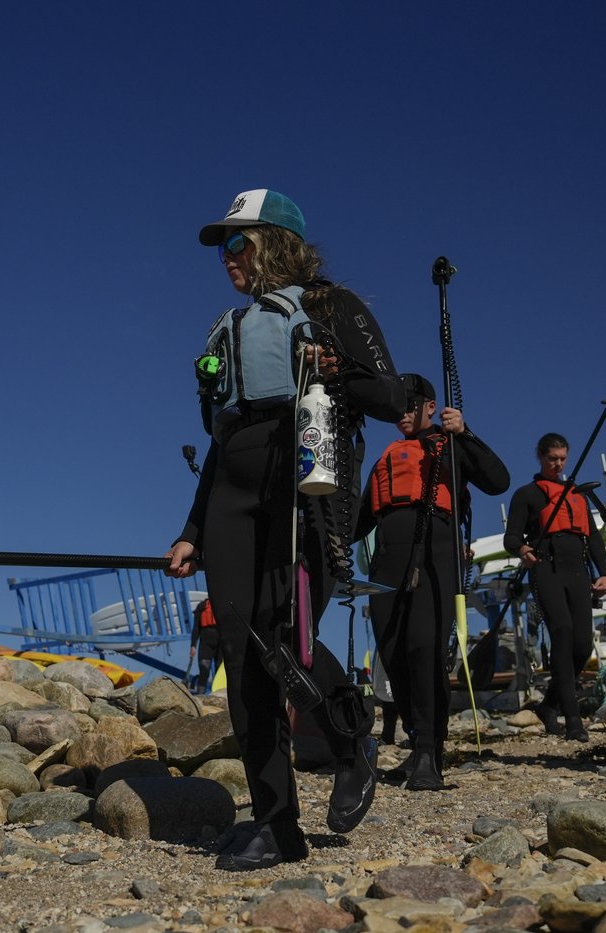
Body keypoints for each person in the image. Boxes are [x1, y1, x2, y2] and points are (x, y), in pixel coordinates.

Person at [165, 189, 407, 870]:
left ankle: (351, 736)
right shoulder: (231, 326)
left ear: (275, 241)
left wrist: (336, 371)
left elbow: (392, 396)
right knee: (242, 652)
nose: (227, 257)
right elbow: (221, 438)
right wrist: (191, 528)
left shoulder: (331, 306)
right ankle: (276, 823)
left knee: (285, 635)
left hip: (309, 478)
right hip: (232, 490)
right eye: (223, 246)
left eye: (236, 242)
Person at [357, 374, 510, 790]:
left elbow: (498, 481)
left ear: (430, 406)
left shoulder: (451, 446)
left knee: (424, 650)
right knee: (393, 654)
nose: (401, 414)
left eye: (409, 404)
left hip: (435, 556)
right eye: (395, 407)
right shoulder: (388, 455)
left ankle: (430, 749)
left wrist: (465, 432)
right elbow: (358, 522)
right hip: (387, 563)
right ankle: (415, 741)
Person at [502, 433, 606, 742]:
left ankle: (548, 705)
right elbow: (511, 537)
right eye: (552, 459)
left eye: (563, 458)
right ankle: (573, 718)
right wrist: (522, 549)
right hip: (546, 569)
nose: (558, 464)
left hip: (577, 571)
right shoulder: (527, 494)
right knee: (562, 633)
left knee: (582, 645)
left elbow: (593, 538)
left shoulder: (577, 494)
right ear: (540, 456)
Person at [187, 597, 220, 694]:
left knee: (220, 671)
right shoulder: (201, 607)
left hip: (220, 642)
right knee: (204, 670)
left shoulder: (222, 605)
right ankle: (200, 695)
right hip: (206, 642)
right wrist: (193, 645)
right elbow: (196, 628)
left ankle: (220, 695)